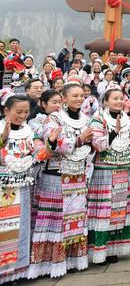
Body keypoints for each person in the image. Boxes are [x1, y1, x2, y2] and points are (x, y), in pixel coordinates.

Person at [29, 83, 94, 279]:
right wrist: (79, 140)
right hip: (56, 174)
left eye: (81, 95)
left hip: (78, 174)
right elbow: (53, 144)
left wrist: (88, 144)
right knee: (56, 220)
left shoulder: (86, 119)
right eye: (74, 95)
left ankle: (72, 259)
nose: (79, 99)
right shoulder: (53, 118)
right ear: (64, 98)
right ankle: (50, 262)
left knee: (74, 218)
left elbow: (92, 142)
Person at [87, 87, 130, 265]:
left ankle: (114, 248)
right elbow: (98, 145)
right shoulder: (98, 120)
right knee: (104, 210)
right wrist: (114, 132)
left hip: (124, 171)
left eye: (121, 98)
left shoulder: (128, 120)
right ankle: (99, 250)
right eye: (115, 98)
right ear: (106, 101)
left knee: (119, 210)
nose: (119, 101)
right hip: (104, 172)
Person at [0, 95, 46, 283]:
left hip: (23, 186)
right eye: (18, 112)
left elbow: (40, 150)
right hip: (3, 188)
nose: (22, 115)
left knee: (21, 227)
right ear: (6, 111)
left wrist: (48, 145)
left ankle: (17, 270)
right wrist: (2, 140)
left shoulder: (29, 131)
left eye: (26, 112)